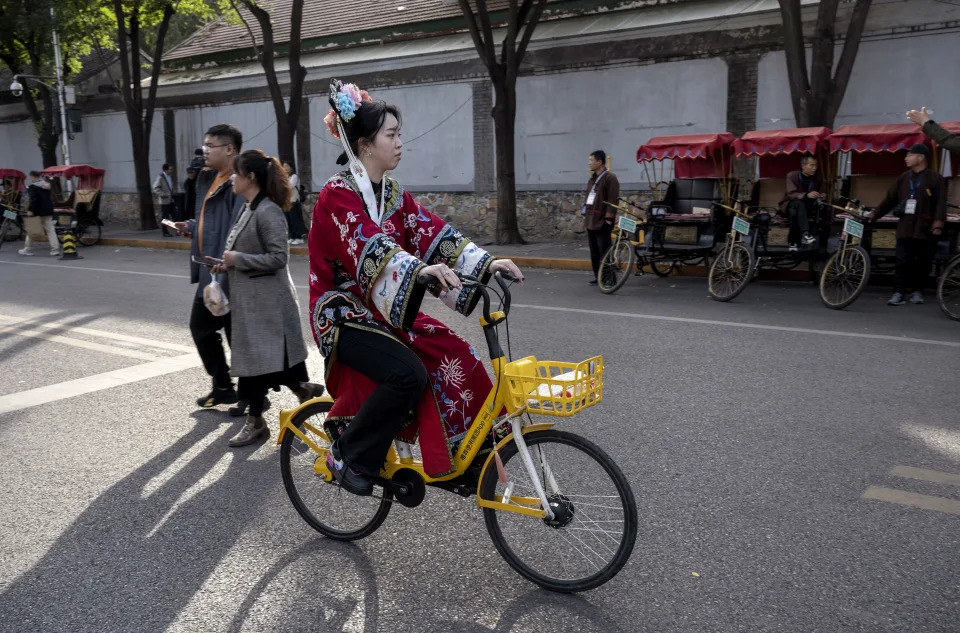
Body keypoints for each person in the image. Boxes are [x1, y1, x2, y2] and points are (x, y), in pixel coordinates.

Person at [309, 80, 524, 495]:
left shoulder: (392, 194)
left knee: (457, 351)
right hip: (343, 313)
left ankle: (468, 452)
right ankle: (348, 454)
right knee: (407, 373)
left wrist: (487, 262)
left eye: (397, 133)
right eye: (391, 134)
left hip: (380, 311)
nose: (399, 142)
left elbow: (434, 234)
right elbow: (371, 246)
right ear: (366, 144)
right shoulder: (336, 195)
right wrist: (419, 272)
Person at [209, 150, 325, 447]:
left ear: (250, 177)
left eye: (236, 173)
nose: (231, 178)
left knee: (255, 369)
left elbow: (278, 257)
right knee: (268, 363)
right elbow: (245, 251)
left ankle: (255, 422)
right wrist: (225, 262)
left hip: (269, 307)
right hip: (253, 305)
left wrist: (239, 259)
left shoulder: (269, 210)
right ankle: (303, 390)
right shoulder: (248, 207)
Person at [171, 124, 247, 410]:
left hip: (225, 270)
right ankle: (223, 385)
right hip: (209, 270)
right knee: (201, 328)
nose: (204, 151)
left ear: (229, 149)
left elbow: (236, 229)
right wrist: (190, 226)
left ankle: (255, 397)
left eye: (209, 146)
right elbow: (210, 221)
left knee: (236, 336)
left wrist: (226, 264)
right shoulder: (210, 179)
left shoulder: (238, 182)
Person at [865, 143, 946, 306]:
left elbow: (940, 204)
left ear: (921, 157)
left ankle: (918, 291)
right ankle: (898, 292)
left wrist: (938, 224)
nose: (906, 158)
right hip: (905, 226)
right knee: (902, 260)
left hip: (925, 227)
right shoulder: (903, 178)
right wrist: (874, 214)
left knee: (923, 261)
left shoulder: (935, 178)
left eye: (910, 155)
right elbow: (889, 199)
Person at [581, 150, 619, 285]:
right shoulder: (592, 179)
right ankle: (599, 277)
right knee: (594, 252)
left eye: (591, 160)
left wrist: (609, 219)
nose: (589, 163)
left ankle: (610, 278)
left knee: (605, 252)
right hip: (590, 220)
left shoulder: (610, 178)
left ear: (599, 162)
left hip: (602, 221)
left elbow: (613, 199)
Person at [779, 155, 823, 251]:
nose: (814, 168)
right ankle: (806, 233)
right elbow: (791, 194)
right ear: (803, 165)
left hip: (806, 206)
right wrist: (806, 195)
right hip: (790, 203)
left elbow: (818, 192)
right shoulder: (792, 176)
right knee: (798, 204)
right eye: (811, 165)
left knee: (794, 212)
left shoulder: (817, 178)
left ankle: (793, 242)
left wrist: (820, 195)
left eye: (816, 165)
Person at [18, 171, 58, 257]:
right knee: (51, 231)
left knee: (31, 230)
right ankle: (55, 250)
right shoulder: (46, 185)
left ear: (32, 177)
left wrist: (30, 210)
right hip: (48, 210)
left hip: (37, 211)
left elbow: (33, 199)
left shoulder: (33, 187)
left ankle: (28, 249)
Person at [282, 161, 305, 245]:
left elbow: (289, 186)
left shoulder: (294, 176)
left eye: (287, 166)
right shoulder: (284, 177)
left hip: (294, 201)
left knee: (295, 220)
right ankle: (292, 237)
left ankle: (298, 237)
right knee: (289, 220)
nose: (285, 168)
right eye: (283, 166)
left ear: (291, 167)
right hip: (286, 202)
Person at [153, 163, 176, 237]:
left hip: (171, 200)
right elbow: (155, 188)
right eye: (170, 169)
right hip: (164, 201)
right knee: (165, 217)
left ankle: (177, 230)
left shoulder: (169, 177)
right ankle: (165, 232)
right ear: (166, 170)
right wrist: (164, 194)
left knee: (175, 215)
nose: (171, 170)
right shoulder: (160, 177)